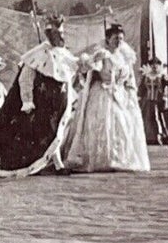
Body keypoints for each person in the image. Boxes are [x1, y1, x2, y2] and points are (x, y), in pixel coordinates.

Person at [63, 22, 151, 174]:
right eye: (116, 38)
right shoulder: (102, 53)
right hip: (102, 93)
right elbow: (89, 69)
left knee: (123, 125)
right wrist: (95, 60)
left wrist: (131, 93)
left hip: (120, 94)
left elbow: (129, 77)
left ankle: (119, 158)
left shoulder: (125, 55)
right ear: (108, 39)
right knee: (104, 124)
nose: (119, 42)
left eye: (121, 39)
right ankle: (101, 159)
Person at [18, 14, 79, 171]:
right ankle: (57, 164)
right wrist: (27, 100)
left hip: (61, 102)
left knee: (59, 131)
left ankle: (55, 162)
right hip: (44, 103)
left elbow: (69, 75)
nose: (61, 37)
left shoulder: (64, 53)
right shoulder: (38, 52)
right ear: (50, 34)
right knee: (50, 132)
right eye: (57, 34)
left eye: (62, 34)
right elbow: (25, 78)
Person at [138, 56, 168, 146]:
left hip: (158, 101)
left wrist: (167, 93)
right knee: (148, 118)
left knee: (158, 117)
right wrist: (139, 96)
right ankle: (150, 137)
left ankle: (161, 136)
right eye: (152, 65)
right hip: (147, 101)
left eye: (156, 65)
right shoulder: (146, 76)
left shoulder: (161, 76)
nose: (154, 67)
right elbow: (142, 88)